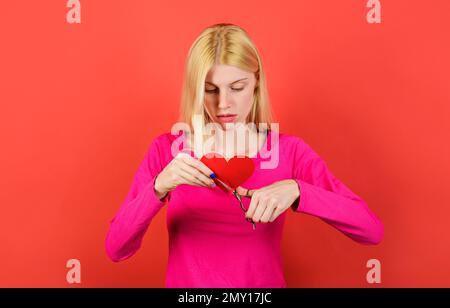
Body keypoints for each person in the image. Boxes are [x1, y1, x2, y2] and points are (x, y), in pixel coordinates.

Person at [105, 23, 383, 288]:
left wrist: (298, 191)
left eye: (237, 87)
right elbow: (116, 249)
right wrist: (158, 187)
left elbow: (370, 230)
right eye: (210, 90)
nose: (224, 103)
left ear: (256, 82)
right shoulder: (166, 150)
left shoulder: (288, 151)